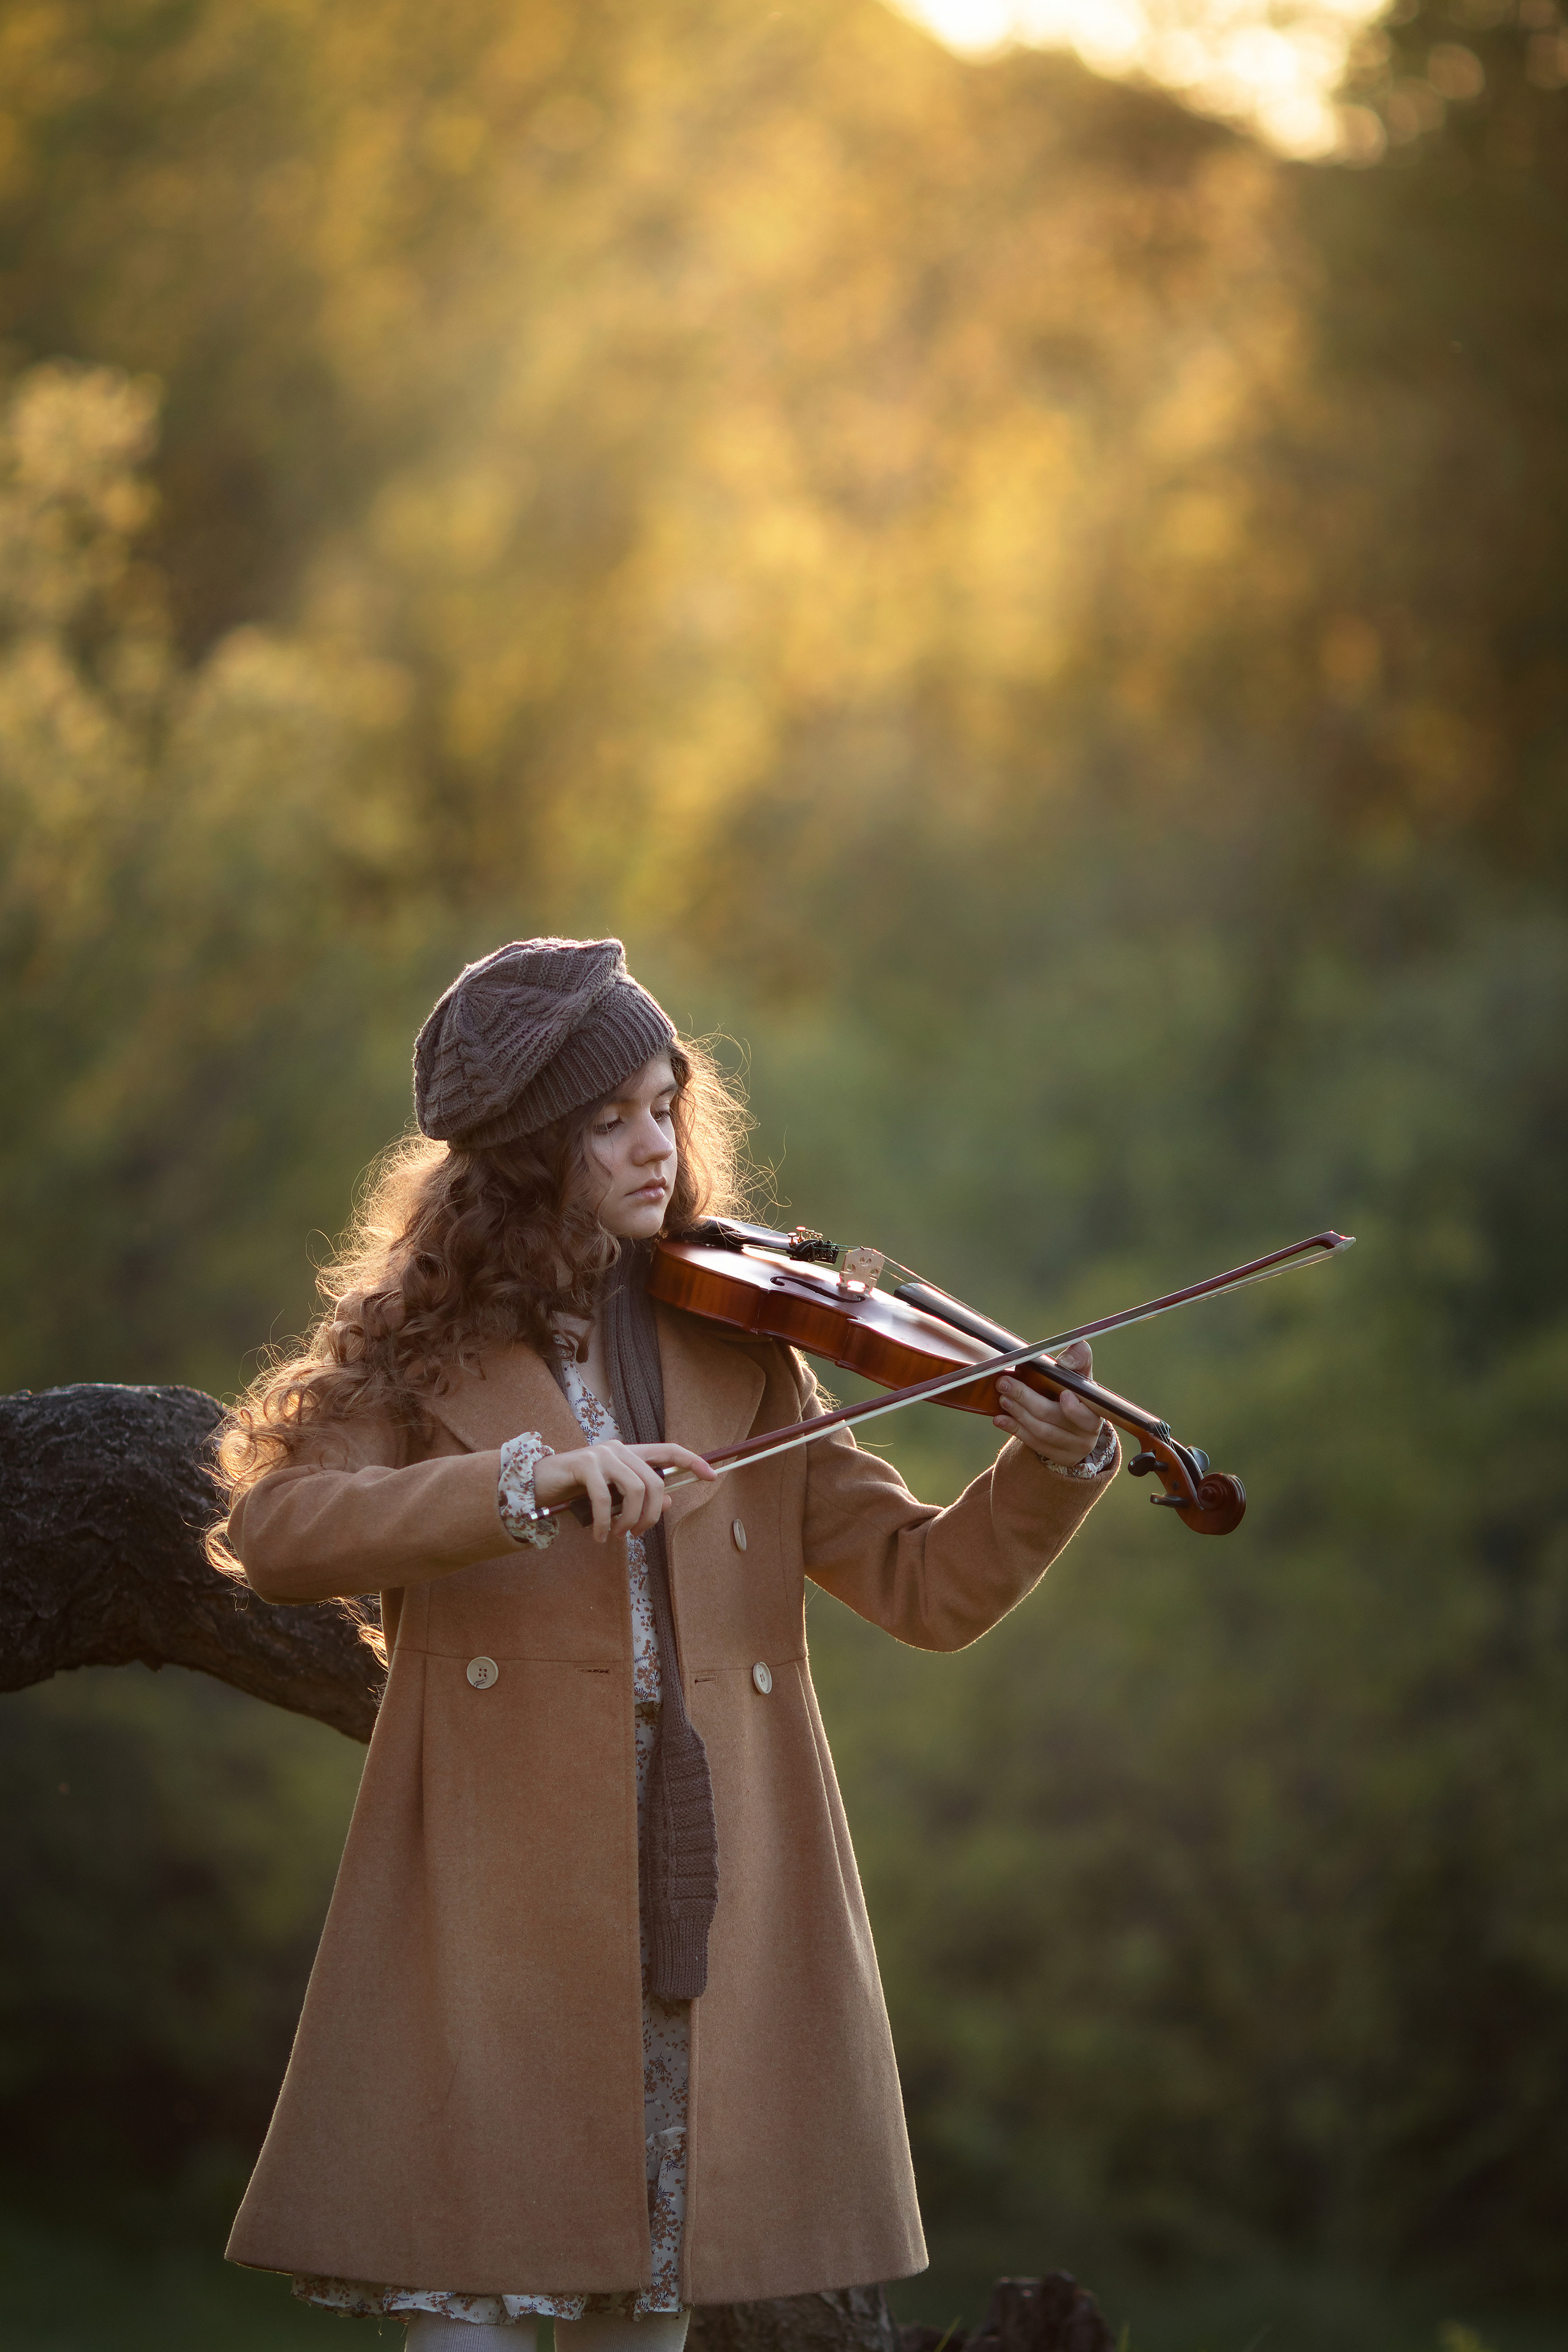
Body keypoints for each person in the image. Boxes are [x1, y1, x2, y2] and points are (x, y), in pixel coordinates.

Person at [212, 937, 1119, 2352]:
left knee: (644, 2322)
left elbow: (920, 1587)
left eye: (665, 1104)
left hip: (708, 1899)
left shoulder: (743, 1342)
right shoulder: (414, 1342)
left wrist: (1048, 1469)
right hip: (497, 1893)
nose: (657, 1145)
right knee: (467, 2323)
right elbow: (277, 1533)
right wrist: (517, 1485)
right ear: (523, 1151)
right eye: (610, 1119)